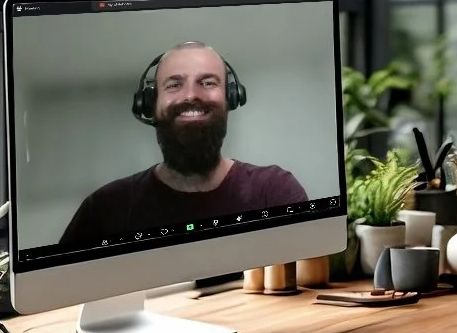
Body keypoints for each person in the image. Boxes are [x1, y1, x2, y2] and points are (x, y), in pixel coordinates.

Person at [59, 40, 306, 248]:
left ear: (231, 98)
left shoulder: (275, 193)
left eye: (208, 82)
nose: (191, 95)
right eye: (174, 84)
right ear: (150, 105)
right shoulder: (103, 209)